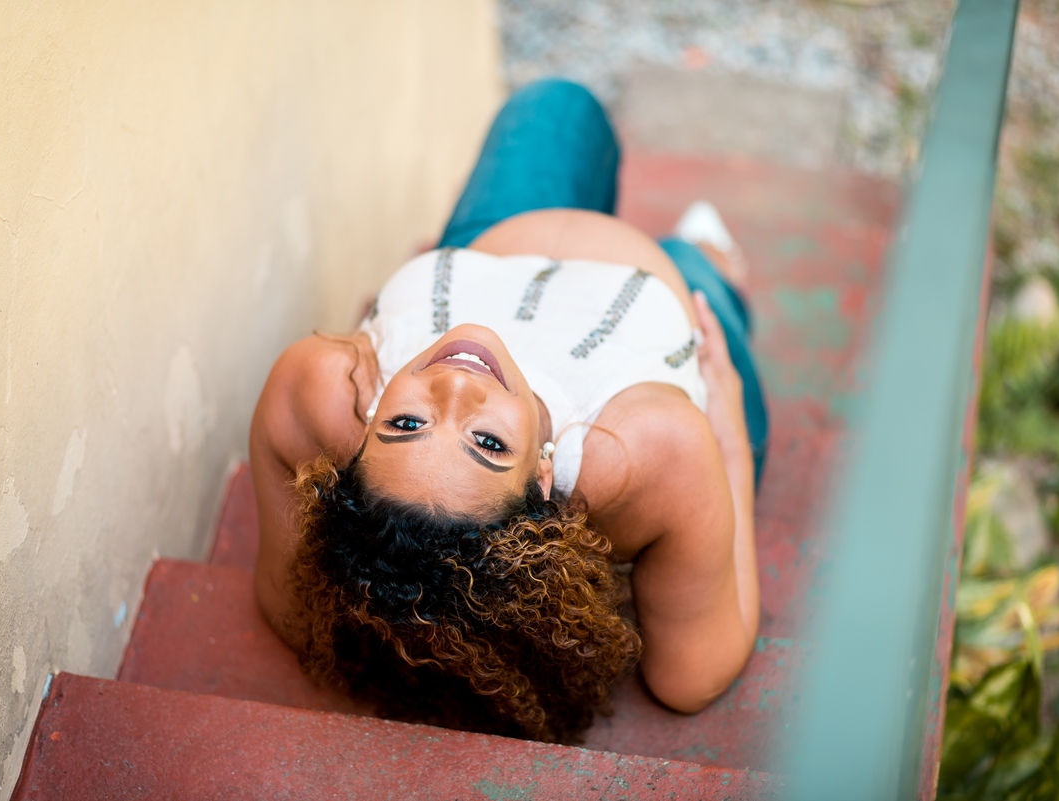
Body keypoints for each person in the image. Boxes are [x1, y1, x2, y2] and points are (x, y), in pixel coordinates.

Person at [249, 78, 769, 744]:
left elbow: (291, 606)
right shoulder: (649, 448)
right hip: (669, 319)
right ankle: (707, 260)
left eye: (405, 425)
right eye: (488, 443)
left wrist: (381, 324)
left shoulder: (326, 391)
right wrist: (724, 434)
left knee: (557, 106)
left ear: (354, 459)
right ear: (546, 479)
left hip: (488, 253)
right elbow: (691, 676)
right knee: (704, 276)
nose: (454, 390)